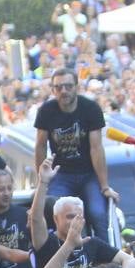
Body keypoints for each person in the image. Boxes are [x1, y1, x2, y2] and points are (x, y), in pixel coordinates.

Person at [33, 67, 117, 239]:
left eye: (68, 86)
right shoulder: (46, 111)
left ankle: (106, 258)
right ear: (53, 90)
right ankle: (66, 256)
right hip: (61, 173)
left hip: (88, 174)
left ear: (77, 87)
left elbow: (96, 149)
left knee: (97, 214)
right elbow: (40, 146)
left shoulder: (91, 109)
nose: (64, 91)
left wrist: (104, 185)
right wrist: (42, 180)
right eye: (59, 87)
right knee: (58, 212)